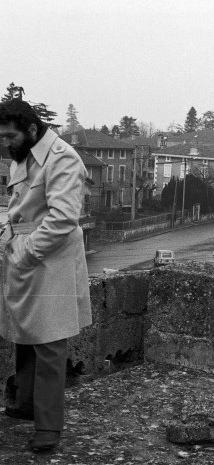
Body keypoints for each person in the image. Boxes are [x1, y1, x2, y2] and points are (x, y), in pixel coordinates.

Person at [0, 100, 91, 452]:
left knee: (50, 342)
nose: (6, 142)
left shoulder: (63, 158)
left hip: (50, 259)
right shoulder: (22, 156)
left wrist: (26, 251)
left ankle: (49, 428)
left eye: (11, 135)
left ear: (32, 130)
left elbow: (63, 219)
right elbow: (18, 209)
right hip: (24, 252)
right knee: (24, 333)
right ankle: (26, 404)